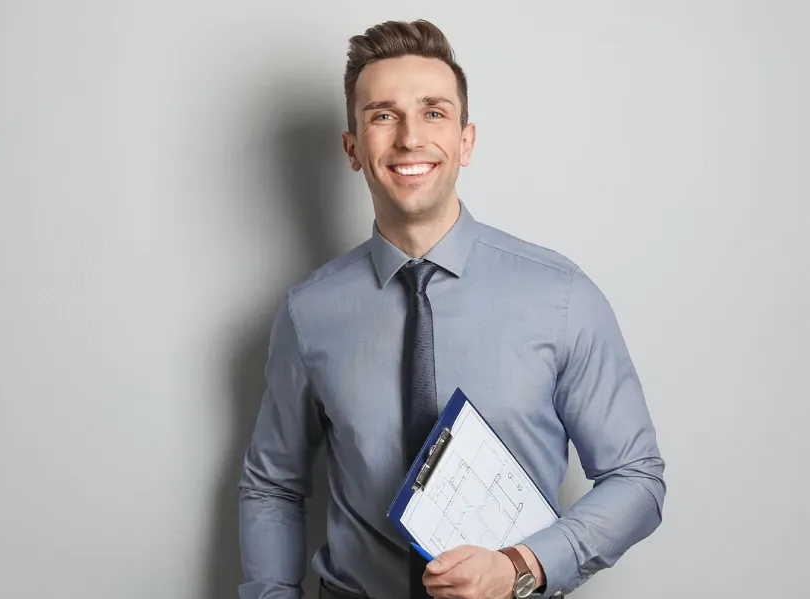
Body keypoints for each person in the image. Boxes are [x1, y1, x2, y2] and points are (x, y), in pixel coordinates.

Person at [238, 19, 665, 599]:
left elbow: (636, 478)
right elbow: (274, 485)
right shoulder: (308, 313)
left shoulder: (561, 296)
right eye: (382, 115)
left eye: (433, 112)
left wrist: (523, 564)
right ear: (353, 149)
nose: (410, 138)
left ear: (465, 141)